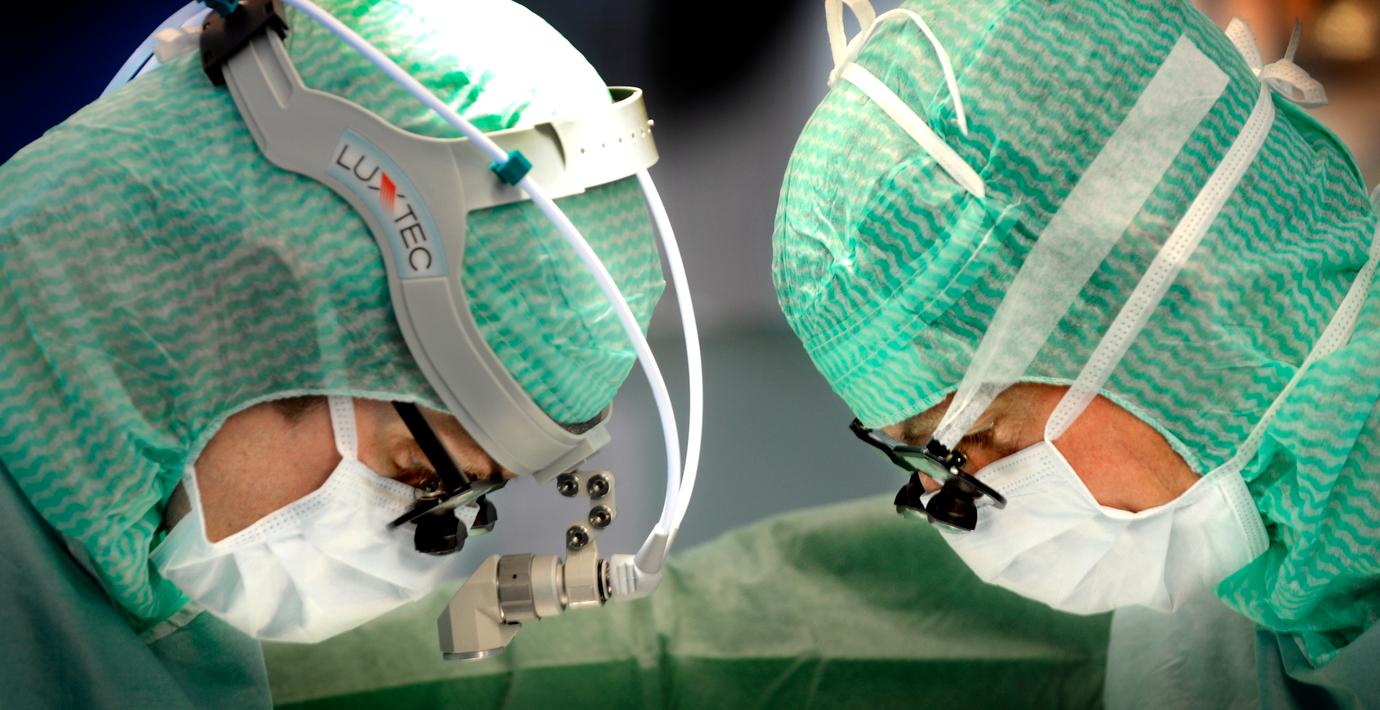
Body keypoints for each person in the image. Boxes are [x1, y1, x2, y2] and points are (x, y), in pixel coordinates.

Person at [0, 0, 665, 706]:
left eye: (471, 499)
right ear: (248, 309)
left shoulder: (133, 600)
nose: (418, 550)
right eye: (421, 475)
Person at [774, 0, 1380, 707]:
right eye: (926, 464)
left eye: (972, 439)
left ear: (1169, 309)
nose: (957, 509)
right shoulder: (1238, 611)